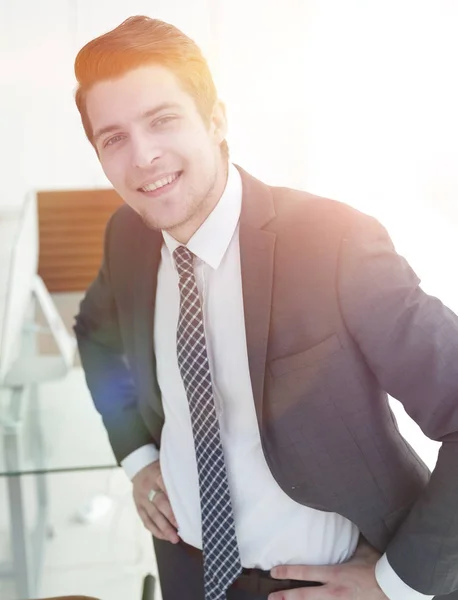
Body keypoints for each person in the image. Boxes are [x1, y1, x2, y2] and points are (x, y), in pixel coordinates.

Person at [72, 15, 458, 600]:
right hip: (189, 570)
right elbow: (95, 333)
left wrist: (396, 583)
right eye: (114, 137)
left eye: (163, 120)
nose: (143, 155)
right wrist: (137, 455)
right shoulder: (127, 236)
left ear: (217, 120)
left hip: (331, 579)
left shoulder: (333, 242)